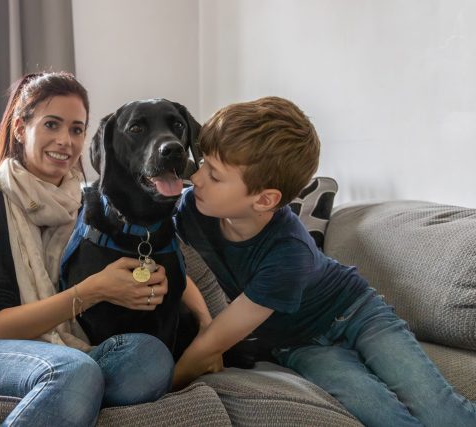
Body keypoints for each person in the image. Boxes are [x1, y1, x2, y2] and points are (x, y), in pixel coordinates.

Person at [172, 96, 476, 427]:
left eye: (214, 175)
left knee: (441, 411)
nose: (197, 178)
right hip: (297, 344)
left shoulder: (288, 252)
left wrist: (165, 389)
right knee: (381, 414)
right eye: (202, 164)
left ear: (264, 200)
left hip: (358, 313)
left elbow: (211, 345)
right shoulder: (190, 210)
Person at [0, 72, 174, 427]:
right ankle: (71, 386)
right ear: (21, 128)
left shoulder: (88, 204)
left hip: (65, 346)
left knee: (150, 358)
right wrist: (94, 290)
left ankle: (67, 397)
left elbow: (157, 248)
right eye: (52, 125)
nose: (65, 141)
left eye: (76, 129)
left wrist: (198, 315)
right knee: (75, 370)